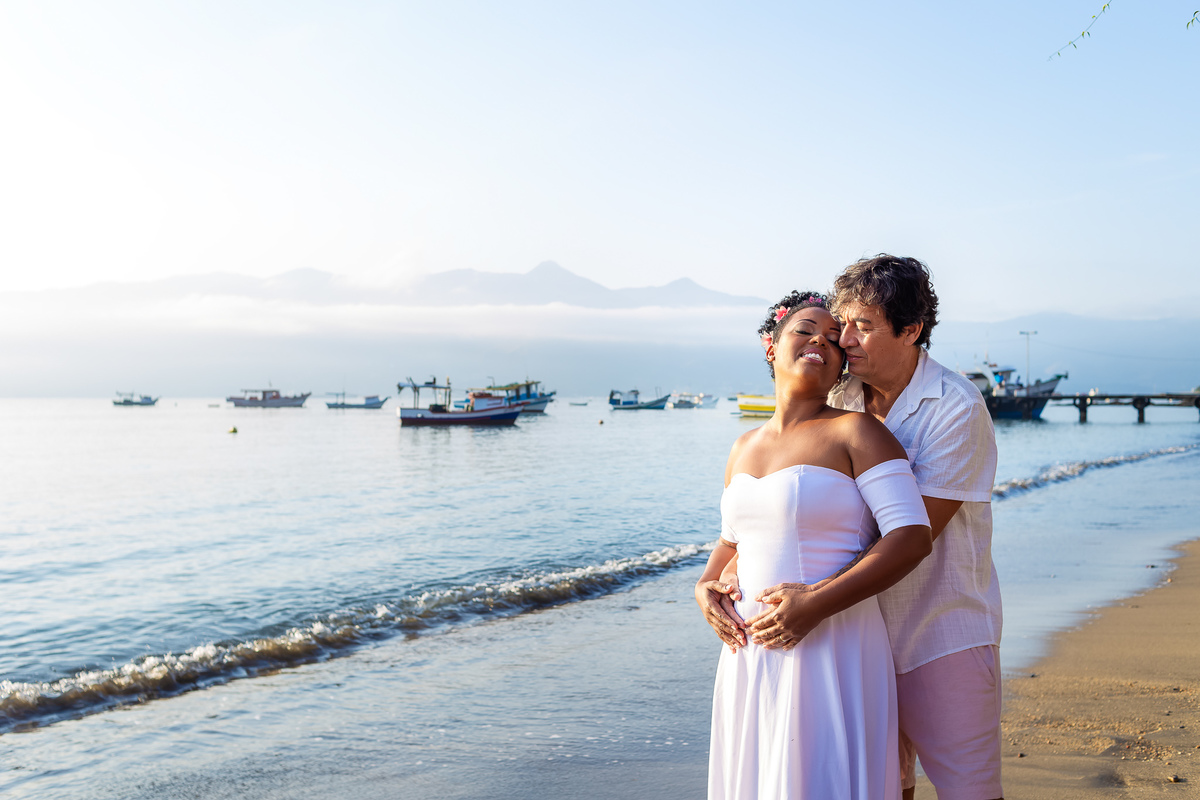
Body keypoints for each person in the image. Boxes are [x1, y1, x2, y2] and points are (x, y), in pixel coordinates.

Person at [707, 256, 1003, 800]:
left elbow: (910, 536)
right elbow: (769, 521)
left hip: (934, 628)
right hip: (848, 635)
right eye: (842, 324)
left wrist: (811, 598)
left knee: (970, 790)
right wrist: (720, 576)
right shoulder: (839, 394)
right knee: (885, 784)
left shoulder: (955, 407)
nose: (844, 340)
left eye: (862, 326)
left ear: (910, 330)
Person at [695, 290, 933, 800]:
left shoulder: (858, 432)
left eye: (833, 339)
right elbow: (732, 542)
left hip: (832, 642)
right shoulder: (742, 447)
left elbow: (912, 537)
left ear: (842, 366)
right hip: (750, 654)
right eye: (805, 330)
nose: (821, 341)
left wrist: (815, 605)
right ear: (771, 345)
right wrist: (704, 588)